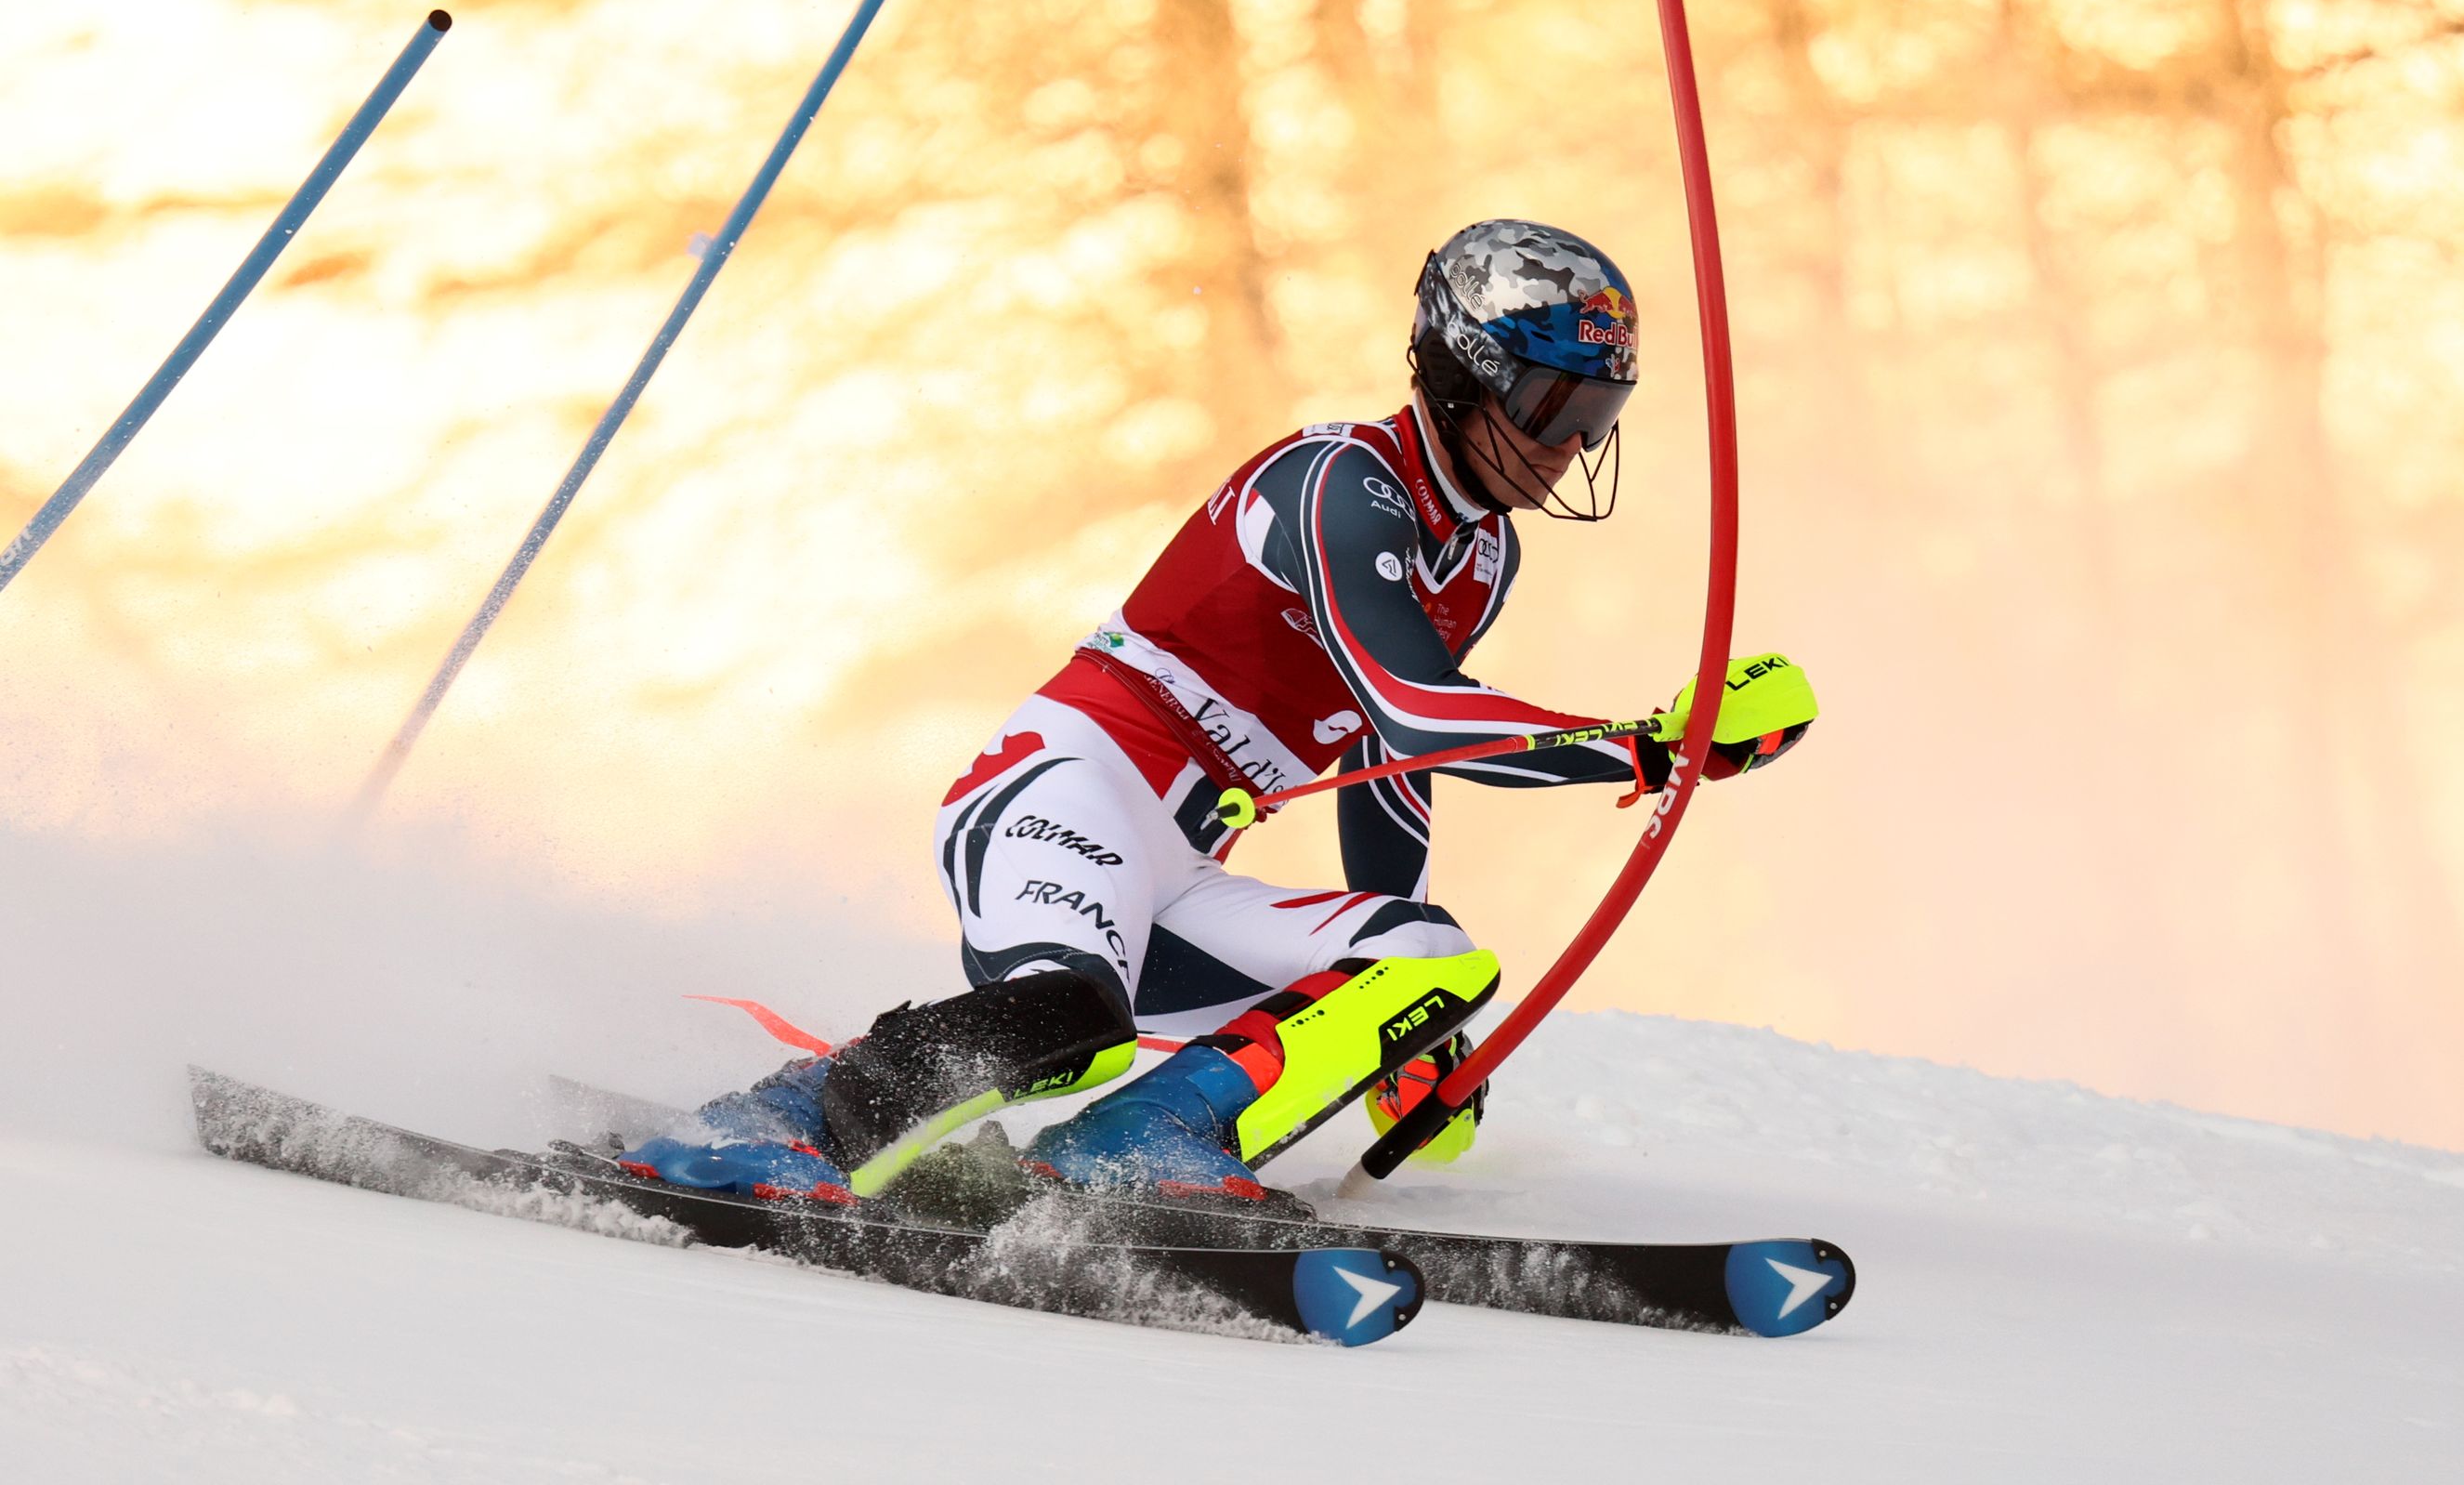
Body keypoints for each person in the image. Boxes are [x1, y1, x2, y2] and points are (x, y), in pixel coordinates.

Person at [618, 219, 1814, 1206]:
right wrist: (1644, 748)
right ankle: (775, 1119)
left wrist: (1407, 1026)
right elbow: (1415, 710)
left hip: (1183, 867)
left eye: (1598, 415)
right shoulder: (1342, 482)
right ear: (1460, 374)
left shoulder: (1482, 557)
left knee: (1430, 956)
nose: (1571, 447)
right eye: (1552, 406)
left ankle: (1130, 1149)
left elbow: (1385, 759)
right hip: (1069, 787)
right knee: (1069, 1022)